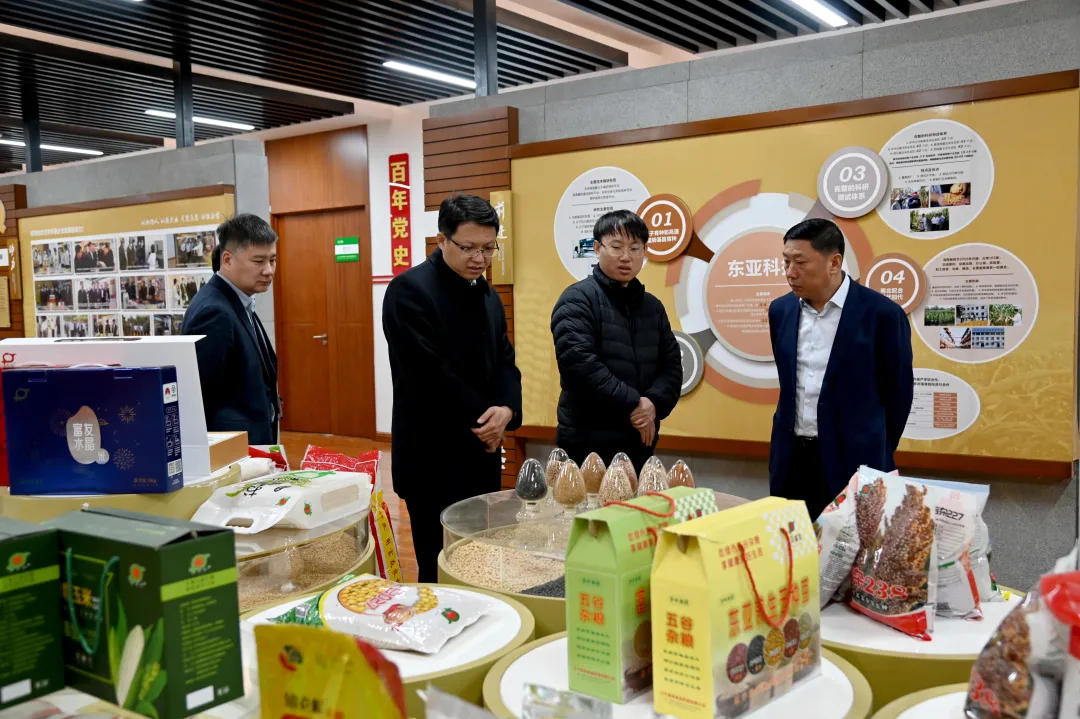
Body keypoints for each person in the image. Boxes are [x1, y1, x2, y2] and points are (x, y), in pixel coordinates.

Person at [383, 194, 522, 583]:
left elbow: (505, 360)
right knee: (438, 565)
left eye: (488, 248)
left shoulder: (486, 293)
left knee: (477, 559)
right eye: (468, 247)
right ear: (441, 240)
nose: (479, 258)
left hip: (481, 450)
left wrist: (507, 410)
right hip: (432, 455)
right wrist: (487, 420)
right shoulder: (409, 290)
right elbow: (428, 373)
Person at [768, 218, 914, 520]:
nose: (790, 272)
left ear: (834, 262)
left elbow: (898, 394)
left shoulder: (882, 315)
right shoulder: (781, 310)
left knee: (853, 545)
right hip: (792, 459)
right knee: (793, 542)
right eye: (786, 262)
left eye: (800, 262)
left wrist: (874, 445)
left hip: (856, 460)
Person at [550, 210, 682, 474]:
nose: (626, 256)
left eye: (635, 248)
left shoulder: (653, 307)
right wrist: (635, 403)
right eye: (617, 246)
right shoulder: (577, 299)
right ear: (598, 248)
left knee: (639, 501)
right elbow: (581, 367)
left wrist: (653, 404)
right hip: (587, 441)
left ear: (644, 252)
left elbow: (671, 367)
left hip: (639, 437)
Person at [182, 214, 280, 444]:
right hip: (232, 447)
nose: (269, 270)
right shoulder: (215, 312)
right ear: (227, 260)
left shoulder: (238, 300)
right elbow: (200, 396)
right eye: (258, 261)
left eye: (272, 260)